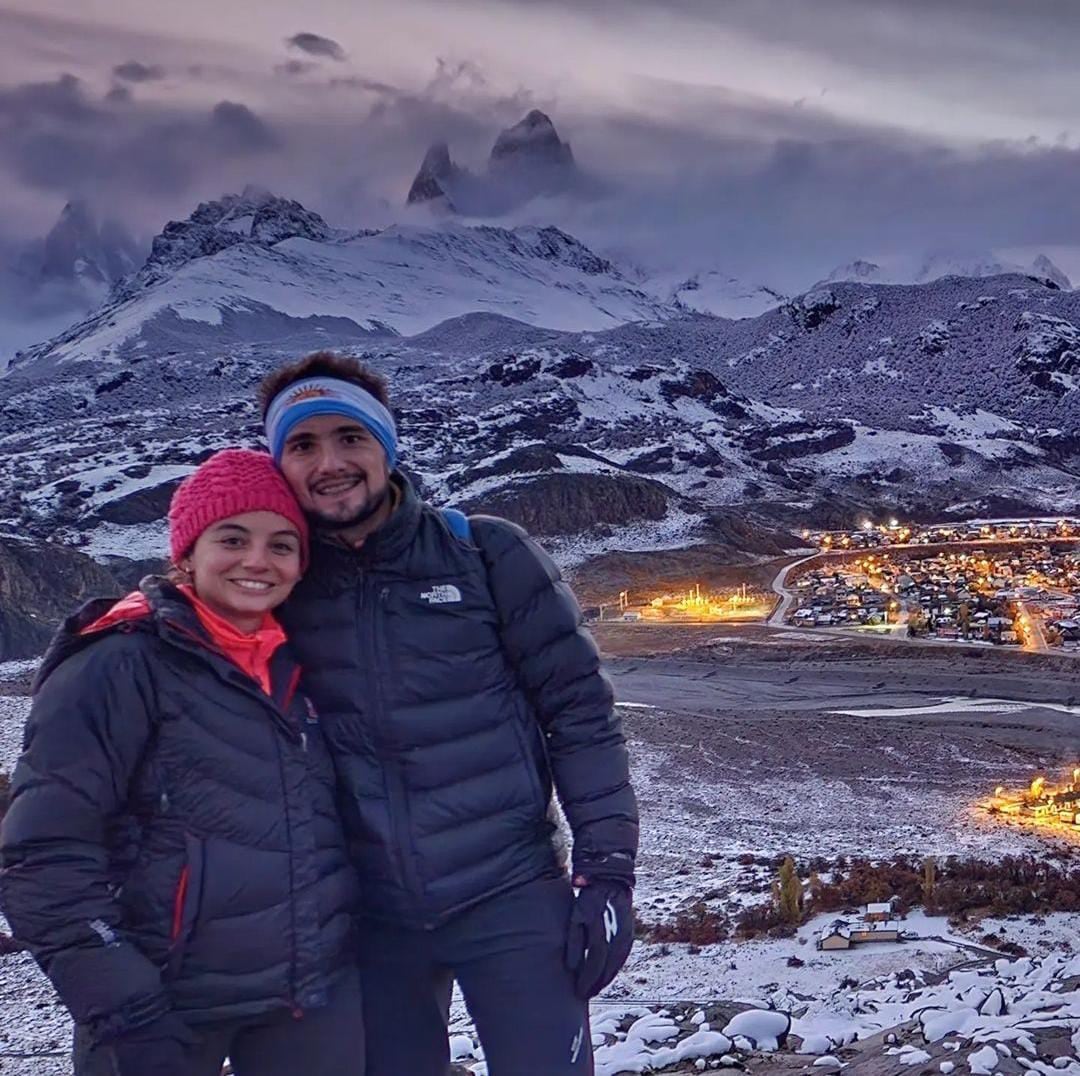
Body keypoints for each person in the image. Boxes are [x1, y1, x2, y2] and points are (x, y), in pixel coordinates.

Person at [259, 352, 639, 1075]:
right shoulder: (282, 586)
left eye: (350, 437)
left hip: (511, 893)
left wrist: (608, 872)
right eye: (302, 445)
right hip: (369, 922)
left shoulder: (484, 554)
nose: (329, 462)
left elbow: (580, 713)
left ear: (386, 446)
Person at [0, 449, 362, 1076]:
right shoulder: (118, 664)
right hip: (160, 1007)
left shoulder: (304, 666)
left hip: (303, 1000)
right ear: (186, 553)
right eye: (232, 537)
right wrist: (125, 1007)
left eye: (282, 544)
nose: (257, 560)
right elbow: (45, 853)